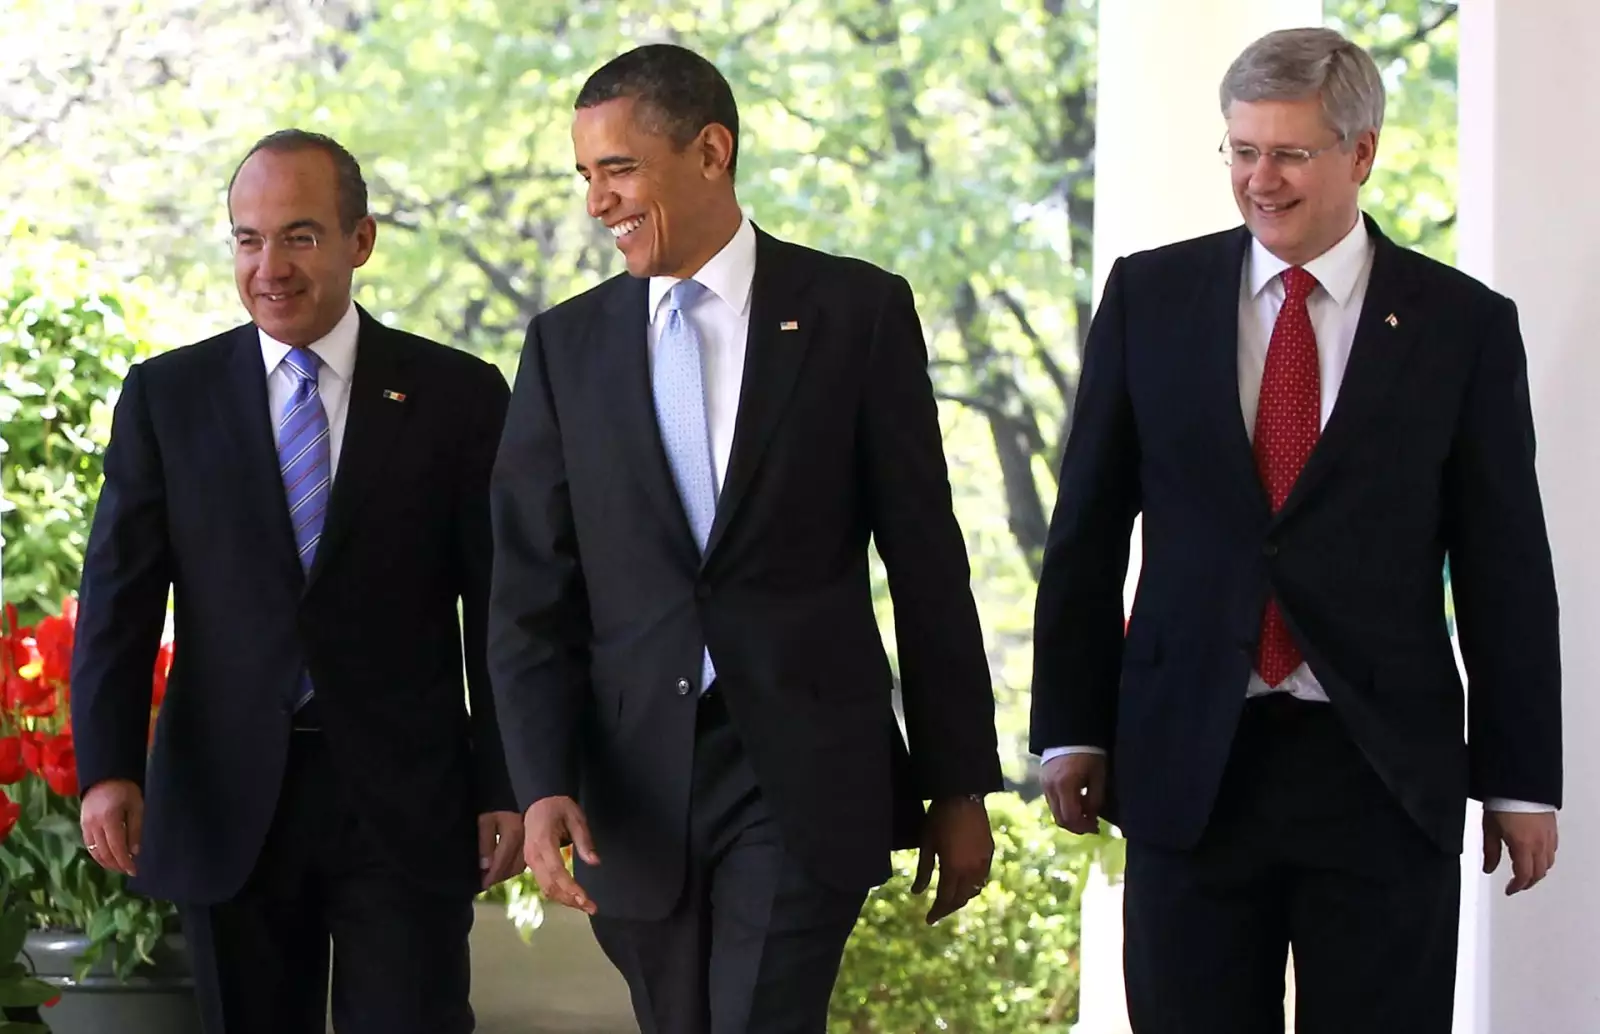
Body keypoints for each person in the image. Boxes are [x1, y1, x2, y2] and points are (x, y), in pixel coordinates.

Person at [1030, 26, 1561, 1034]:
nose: (1257, 179)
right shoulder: (1150, 297)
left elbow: (1504, 567)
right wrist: (1071, 721)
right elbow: (1086, 531)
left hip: (1378, 768)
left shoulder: (1460, 326)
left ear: (1360, 153)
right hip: (1191, 757)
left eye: (1288, 153)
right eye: (1239, 150)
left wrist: (1521, 777)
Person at [487, 43, 1003, 1034]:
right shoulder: (566, 346)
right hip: (631, 787)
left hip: (804, 768)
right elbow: (529, 593)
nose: (598, 202)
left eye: (620, 169)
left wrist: (956, 779)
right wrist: (540, 778)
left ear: (712, 150)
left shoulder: (856, 313)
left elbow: (929, 564)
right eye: (585, 176)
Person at [70, 129, 525, 1034]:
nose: (269, 267)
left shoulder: (458, 395)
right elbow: (120, 598)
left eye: (300, 236)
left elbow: (502, 611)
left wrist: (506, 780)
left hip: (405, 798)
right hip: (228, 796)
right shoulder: (168, 396)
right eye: (248, 239)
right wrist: (108, 766)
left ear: (361, 241)